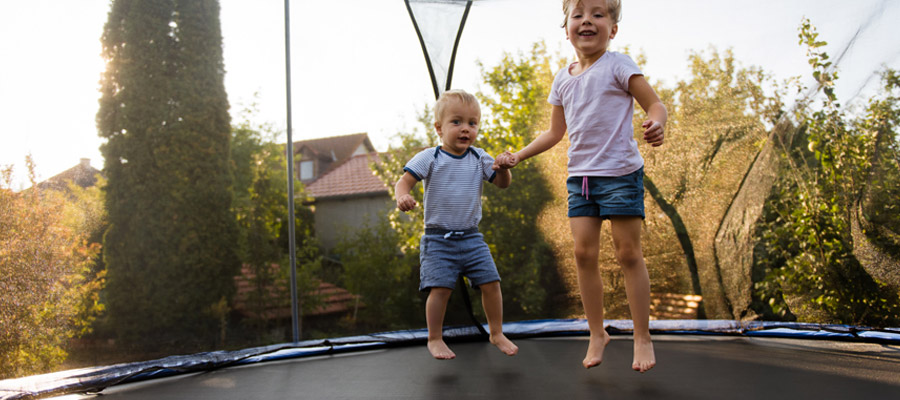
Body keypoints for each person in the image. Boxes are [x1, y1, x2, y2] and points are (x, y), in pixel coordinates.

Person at [494, 0, 665, 373]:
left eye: (598, 14)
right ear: (566, 27)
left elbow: (655, 105)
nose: (587, 20)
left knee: (628, 254)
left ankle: (641, 336)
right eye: (578, 15)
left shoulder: (619, 65)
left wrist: (656, 123)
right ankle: (596, 332)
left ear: (613, 29)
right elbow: (555, 132)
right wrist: (519, 156)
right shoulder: (563, 78)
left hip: (620, 173)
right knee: (584, 255)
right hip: (581, 178)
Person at [395, 89, 518, 360]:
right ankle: (435, 337)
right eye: (457, 122)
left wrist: (503, 168)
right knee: (440, 289)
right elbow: (404, 181)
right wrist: (403, 195)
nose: (466, 129)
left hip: (472, 237)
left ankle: (496, 333)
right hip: (438, 239)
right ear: (439, 128)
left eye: (472, 123)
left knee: (492, 283)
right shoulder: (431, 157)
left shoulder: (480, 157)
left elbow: (502, 184)